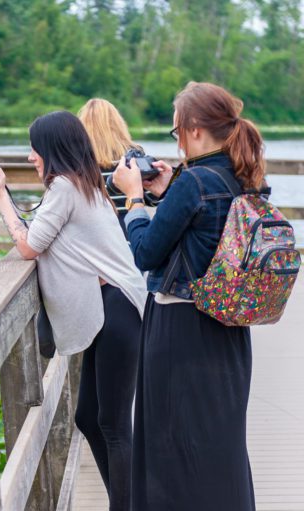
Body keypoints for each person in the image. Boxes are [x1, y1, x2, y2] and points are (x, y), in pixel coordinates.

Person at [0, 111, 147, 511]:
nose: (31, 155)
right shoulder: (82, 184)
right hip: (112, 307)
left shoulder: (68, 187)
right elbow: (44, 237)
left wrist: (0, 197)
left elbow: (30, 246)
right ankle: (130, 501)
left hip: (118, 307)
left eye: (35, 147)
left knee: (115, 425)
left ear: (51, 149)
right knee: (89, 417)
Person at [112, 81, 261, 511]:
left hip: (181, 332)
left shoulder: (193, 182)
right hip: (229, 332)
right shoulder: (243, 176)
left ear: (195, 129)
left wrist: (135, 199)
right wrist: (166, 190)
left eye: (176, 131)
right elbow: (206, 233)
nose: (176, 141)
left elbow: (145, 253)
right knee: (221, 445)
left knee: (172, 447)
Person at [78, 98, 142, 236]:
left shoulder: (77, 157)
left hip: (91, 232)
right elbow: (149, 197)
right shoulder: (133, 154)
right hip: (128, 229)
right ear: (117, 123)